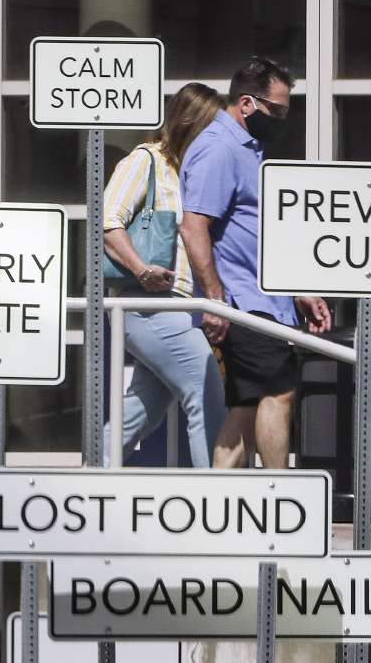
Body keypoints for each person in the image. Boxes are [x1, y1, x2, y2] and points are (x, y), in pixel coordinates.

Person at [178, 57, 331, 470]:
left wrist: (296, 289)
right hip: (242, 303)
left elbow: (255, 233)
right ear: (247, 103)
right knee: (278, 392)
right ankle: (278, 498)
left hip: (262, 299)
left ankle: (220, 502)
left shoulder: (249, 148)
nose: (283, 118)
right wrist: (216, 300)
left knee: (246, 406)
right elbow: (194, 228)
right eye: (277, 110)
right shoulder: (219, 149)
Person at [101, 82, 228, 467]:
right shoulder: (146, 160)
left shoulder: (192, 170)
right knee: (205, 391)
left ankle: (92, 475)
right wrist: (141, 270)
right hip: (149, 303)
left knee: (142, 409)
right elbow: (107, 223)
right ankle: (216, 502)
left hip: (178, 304)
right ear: (190, 123)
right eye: (213, 126)